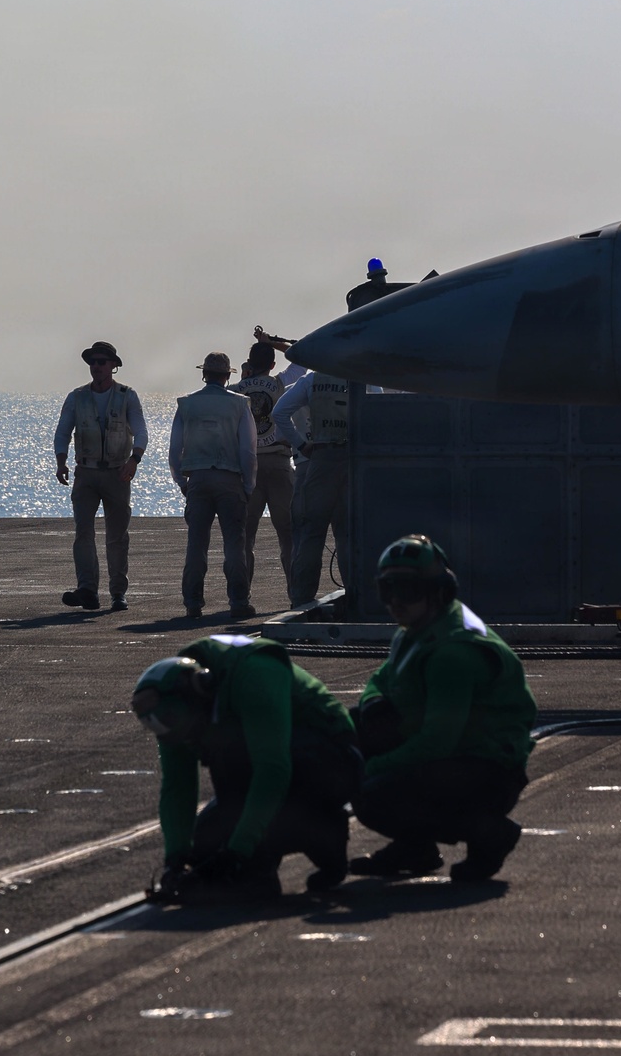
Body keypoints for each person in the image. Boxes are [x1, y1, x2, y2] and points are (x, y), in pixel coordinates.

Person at [349, 535, 537, 883]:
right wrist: (373, 701)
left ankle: (489, 833)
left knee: (372, 792)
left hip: (485, 765)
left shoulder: (452, 651)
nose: (394, 602)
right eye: (386, 590)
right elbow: (383, 677)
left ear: (438, 591)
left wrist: (373, 767)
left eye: (405, 590)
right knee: (356, 728)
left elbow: (438, 740)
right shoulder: (419, 629)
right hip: (456, 748)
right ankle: (416, 849)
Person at [131, 633, 357, 903]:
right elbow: (177, 787)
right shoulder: (174, 705)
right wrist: (175, 860)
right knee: (206, 843)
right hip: (278, 761)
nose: (188, 738)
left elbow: (272, 770)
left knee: (233, 759)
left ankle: (319, 836)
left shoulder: (255, 675)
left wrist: (238, 853)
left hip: (332, 762)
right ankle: (262, 855)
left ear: (203, 693)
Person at [53, 341, 147, 612]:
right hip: (86, 472)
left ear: (113, 366)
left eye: (102, 362)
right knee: (83, 533)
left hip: (118, 474)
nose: (96, 366)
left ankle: (118, 593)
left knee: (117, 537)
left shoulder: (127, 396)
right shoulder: (76, 397)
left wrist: (134, 460)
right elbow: (62, 433)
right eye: (93, 362)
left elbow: (141, 431)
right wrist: (61, 462)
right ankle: (87, 590)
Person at [168, 353, 257, 621]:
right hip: (230, 479)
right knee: (234, 543)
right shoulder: (240, 405)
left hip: (198, 478)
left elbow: (175, 450)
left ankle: (193, 602)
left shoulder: (187, 404)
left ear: (204, 374)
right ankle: (238, 601)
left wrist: (181, 481)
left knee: (196, 545)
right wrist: (249, 484)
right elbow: (248, 450)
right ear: (227, 376)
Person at [229, 334, 305, 595]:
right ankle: (296, 593)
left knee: (244, 537)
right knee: (288, 535)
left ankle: (241, 596)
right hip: (279, 461)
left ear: (249, 363)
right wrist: (271, 341)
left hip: (247, 466)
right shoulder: (279, 382)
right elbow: (300, 356)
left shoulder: (236, 391)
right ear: (272, 364)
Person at [273, 368, 351, 607]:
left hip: (320, 459)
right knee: (349, 535)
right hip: (353, 461)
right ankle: (355, 589)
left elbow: (279, 413)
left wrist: (301, 445)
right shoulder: (359, 377)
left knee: (310, 532)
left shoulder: (310, 381)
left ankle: (301, 597)